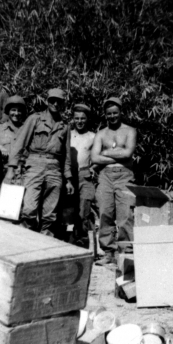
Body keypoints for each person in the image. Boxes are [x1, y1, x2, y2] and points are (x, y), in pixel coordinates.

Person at [6, 88, 74, 235]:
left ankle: (44, 242)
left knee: (50, 214)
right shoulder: (34, 119)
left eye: (59, 101)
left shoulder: (65, 126)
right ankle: (26, 240)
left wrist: (68, 179)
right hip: (35, 165)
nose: (55, 104)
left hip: (55, 168)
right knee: (29, 209)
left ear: (63, 104)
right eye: (52, 100)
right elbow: (20, 144)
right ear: (47, 101)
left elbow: (66, 155)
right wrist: (11, 170)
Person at [91, 97, 137, 265]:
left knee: (125, 214)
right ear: (105, 115)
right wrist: (117, 154)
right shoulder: (101, 133)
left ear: (121, 112)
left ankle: (126, 252)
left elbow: (128, 154)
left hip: (125, 176)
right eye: (109, 114)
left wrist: (105, 153)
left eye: (115, 113)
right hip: (105, 176)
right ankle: (108, 252)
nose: (112, 116)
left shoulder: (130, 131)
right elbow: (94, 156)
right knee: (105, 213)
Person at [70, 103, 97, 243]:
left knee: (83, 212)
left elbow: (100, 156)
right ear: (73, 119)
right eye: (77, 118)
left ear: (87, 119)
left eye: (82, 118)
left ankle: (82, 242)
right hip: (69, 177)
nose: (79, 121)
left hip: (85, 177)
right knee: (68, 212)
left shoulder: (93, 136)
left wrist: (94, 168)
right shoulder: (68, 135)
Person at [0, 95, 28, 185]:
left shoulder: (27, 129)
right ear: (8, 111)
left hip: (22, 173)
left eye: (19, 110)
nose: (16, 113)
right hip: (1, 173)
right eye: (13, 110)